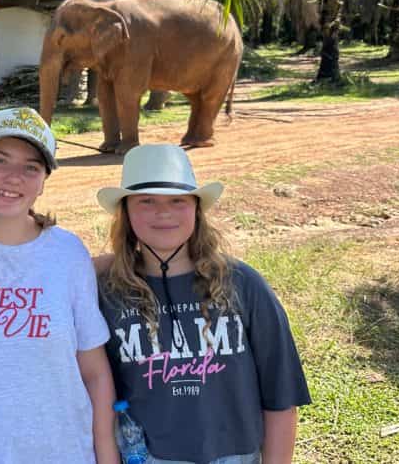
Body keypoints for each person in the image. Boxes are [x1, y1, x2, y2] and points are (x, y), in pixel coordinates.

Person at [95, 144, 310, 464]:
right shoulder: (108, 292)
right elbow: (100, 398)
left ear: (196, 209)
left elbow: (280, 396)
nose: (162, 212)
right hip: (148, 456)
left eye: (177, 200)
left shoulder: (242, 284)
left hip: (235, 456)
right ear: (125, 213)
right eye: (146, 201)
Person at [0, 107, 119, 464]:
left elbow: (95, 373)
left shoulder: (67, 253)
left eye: (31, 167)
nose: (14, 177)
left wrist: (107, 457)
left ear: (43, 181)